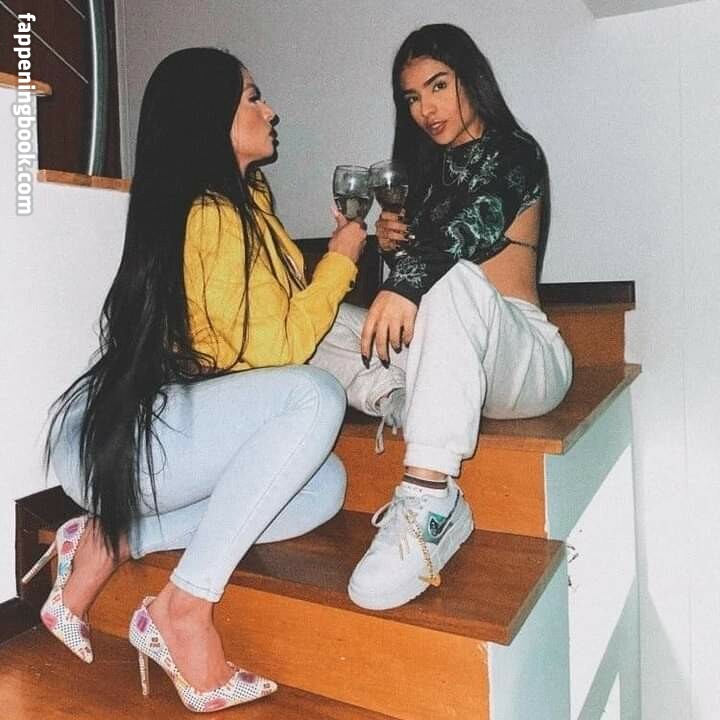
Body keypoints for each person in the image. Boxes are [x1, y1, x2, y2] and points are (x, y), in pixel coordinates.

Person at [21, 47, 366, 713]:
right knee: (315, 395)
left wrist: (336, 261)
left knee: (322, 485)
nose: (271, 111)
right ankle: (184, 609)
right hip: (118, 438)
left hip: (162, 433)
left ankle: (115, 536)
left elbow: (270, 334)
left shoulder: (247, 204)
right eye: (253, 97)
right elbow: (278, 351)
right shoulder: (210, 213)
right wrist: (342, 262)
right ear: (210, 115)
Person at [309, 24, 573, 611]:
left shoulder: (516, 152)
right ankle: (403, 400)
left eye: (437, 85)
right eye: (412, 97)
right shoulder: (424, 175)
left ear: (470, 79)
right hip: (454, 359)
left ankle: (430, 499)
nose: (425, 109)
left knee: (453, 278)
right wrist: (389, 247)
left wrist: (406, 277)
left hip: (523, 359)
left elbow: (468, 234)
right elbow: (415, 295)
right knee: (315, 324)